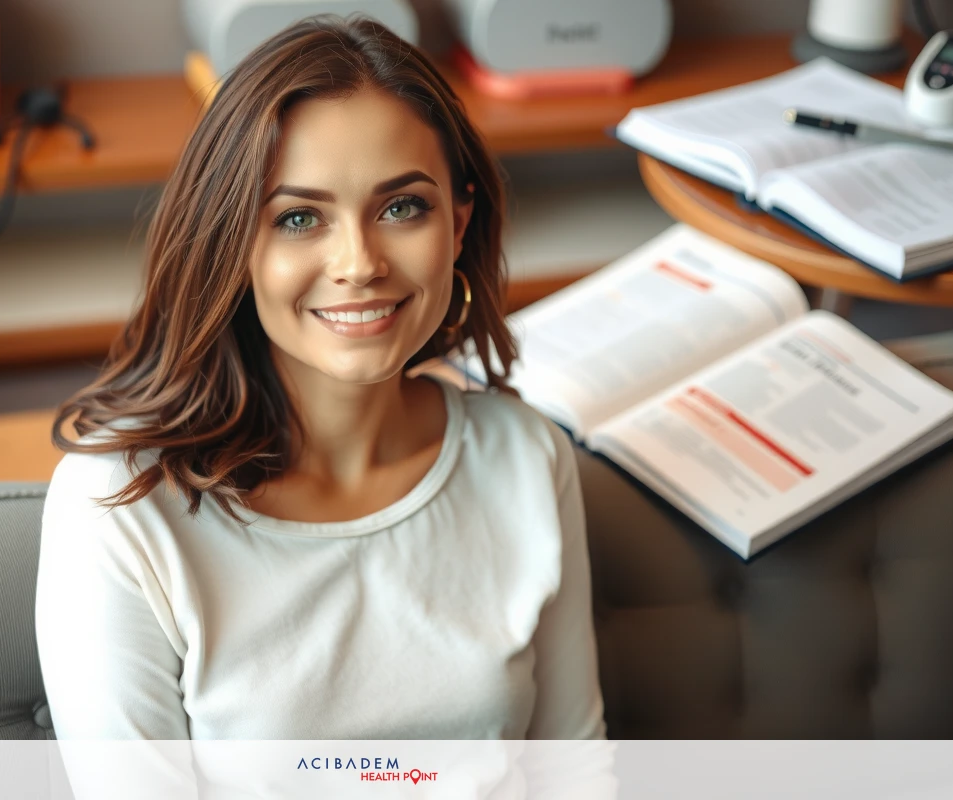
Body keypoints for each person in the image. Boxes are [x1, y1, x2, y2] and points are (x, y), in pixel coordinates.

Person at [35, 15, 605, 750]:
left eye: (403, 207)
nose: (360, 262)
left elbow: (574, 771)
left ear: (458, 225)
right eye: (300, 217)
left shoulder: (529, 460)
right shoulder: (119, 508)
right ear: (231, 243)